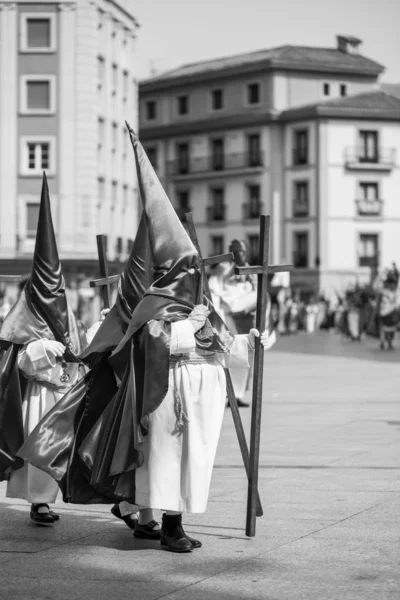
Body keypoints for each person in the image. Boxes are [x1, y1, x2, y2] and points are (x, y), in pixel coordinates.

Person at [18, 125, 271, 553]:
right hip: (168, 395)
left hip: (202, 395)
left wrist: (249, 342)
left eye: (196, 270)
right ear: (174, 271)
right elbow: (152, 339)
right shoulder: (156, 305)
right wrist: (192, 327)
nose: (194, 276)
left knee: (192, 463)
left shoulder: (201, 300)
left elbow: (222, 345)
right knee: (167, 462)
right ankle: (169, 524)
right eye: (188, 270)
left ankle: (156, 516)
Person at [0, 174, 92, 526]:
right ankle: (38, 502)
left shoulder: (70, 318)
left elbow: (85, 348)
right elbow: (18, 362)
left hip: (64, 392)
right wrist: (39, 347)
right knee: (39, 445)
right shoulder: (21, 319)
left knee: (62, 447)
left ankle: (55, 494)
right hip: (36, 395)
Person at [373, 268, 400, 350]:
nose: (391, 285)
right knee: (384, 328)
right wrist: (380, 275)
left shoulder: (396, 292)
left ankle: (388, 342)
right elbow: (375, 286)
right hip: (385, 312)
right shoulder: (384, 291)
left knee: (389, 329)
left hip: (391, 313)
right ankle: (383, 341)